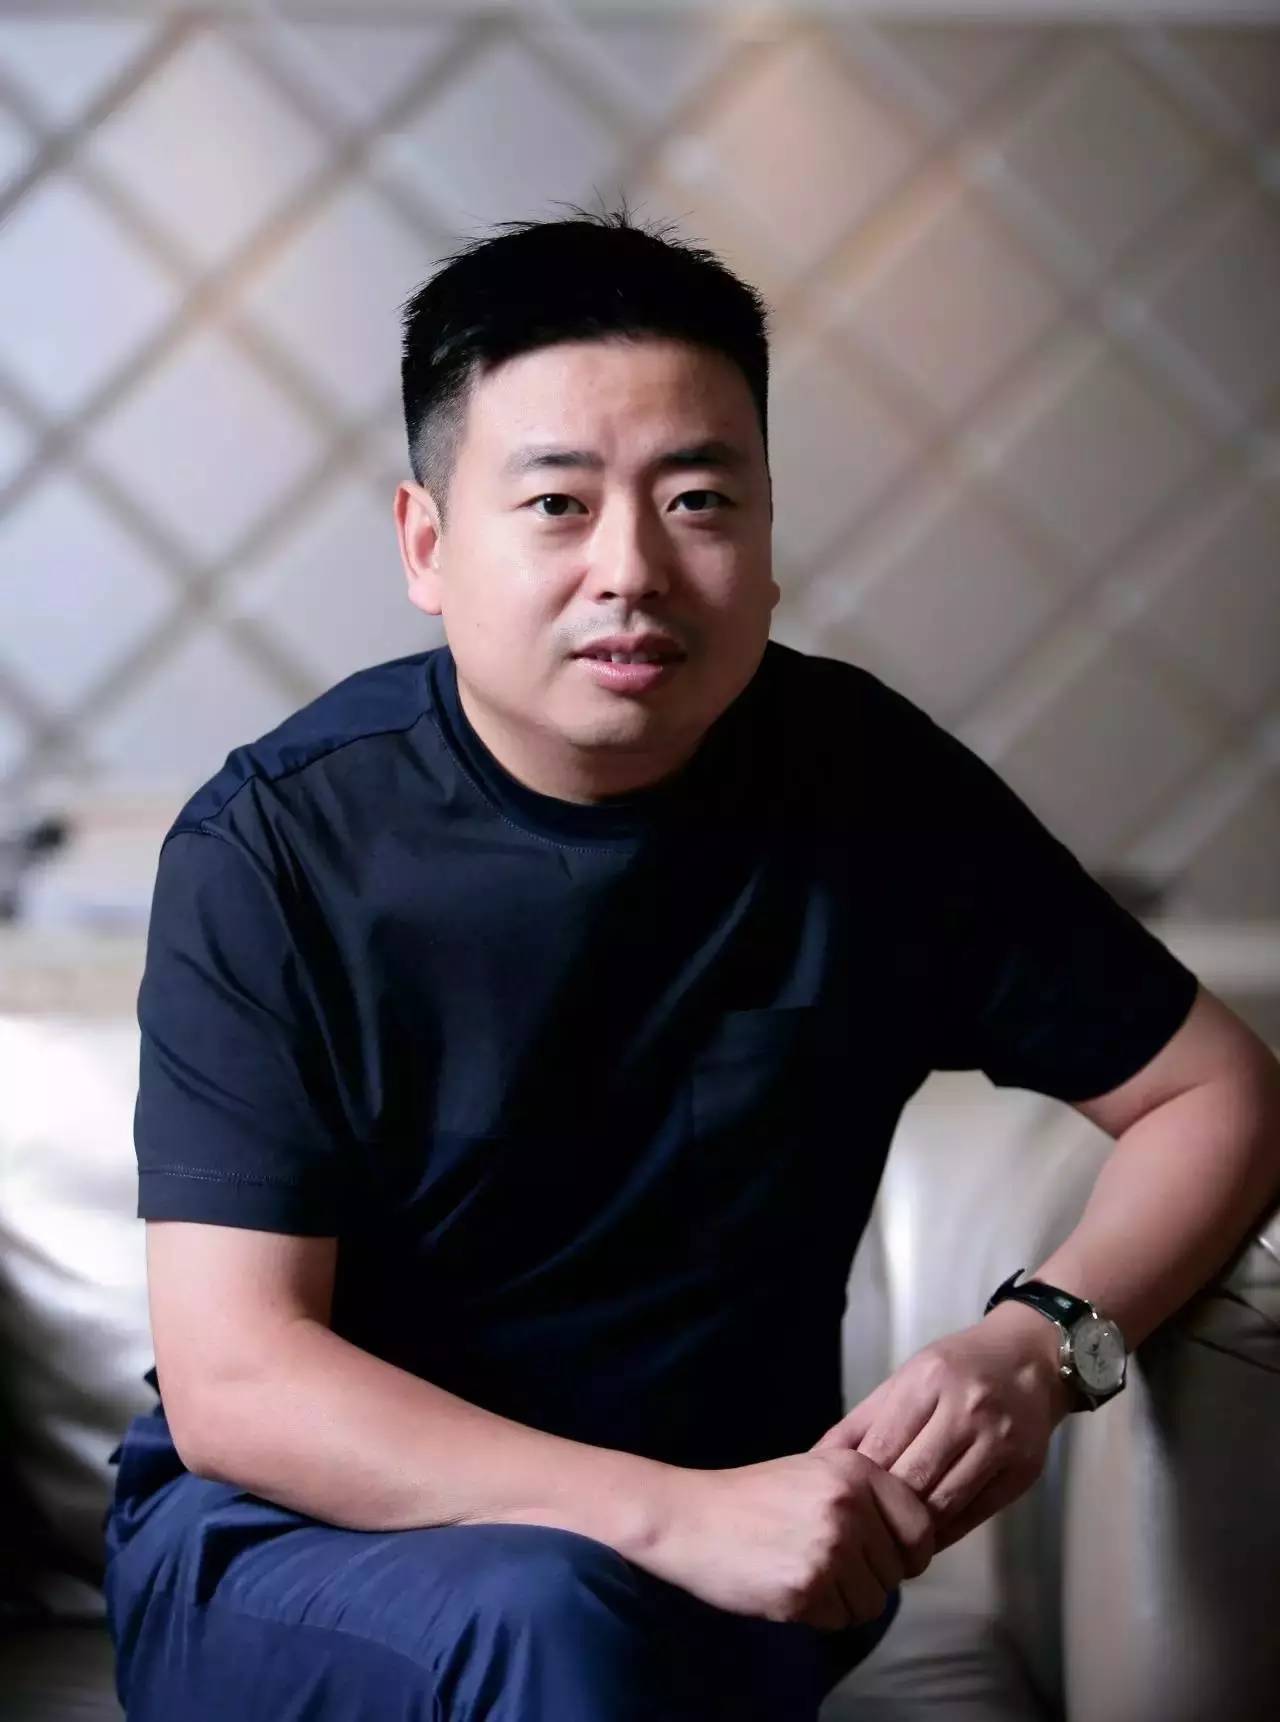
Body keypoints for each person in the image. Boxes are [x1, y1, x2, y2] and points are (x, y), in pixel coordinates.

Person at [102, 204, 1280, 1721]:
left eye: (699, 500)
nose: (633, 569)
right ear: (427, 545)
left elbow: (1217, 1091)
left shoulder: (872, 791)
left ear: (770, 540)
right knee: (547, 1616)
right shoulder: (273, 846)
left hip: (745, 1559)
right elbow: (239, 1380)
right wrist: (674, 1516)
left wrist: (1043, 1343)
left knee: (589, 1625)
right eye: (557, 503)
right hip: (296, 1550)